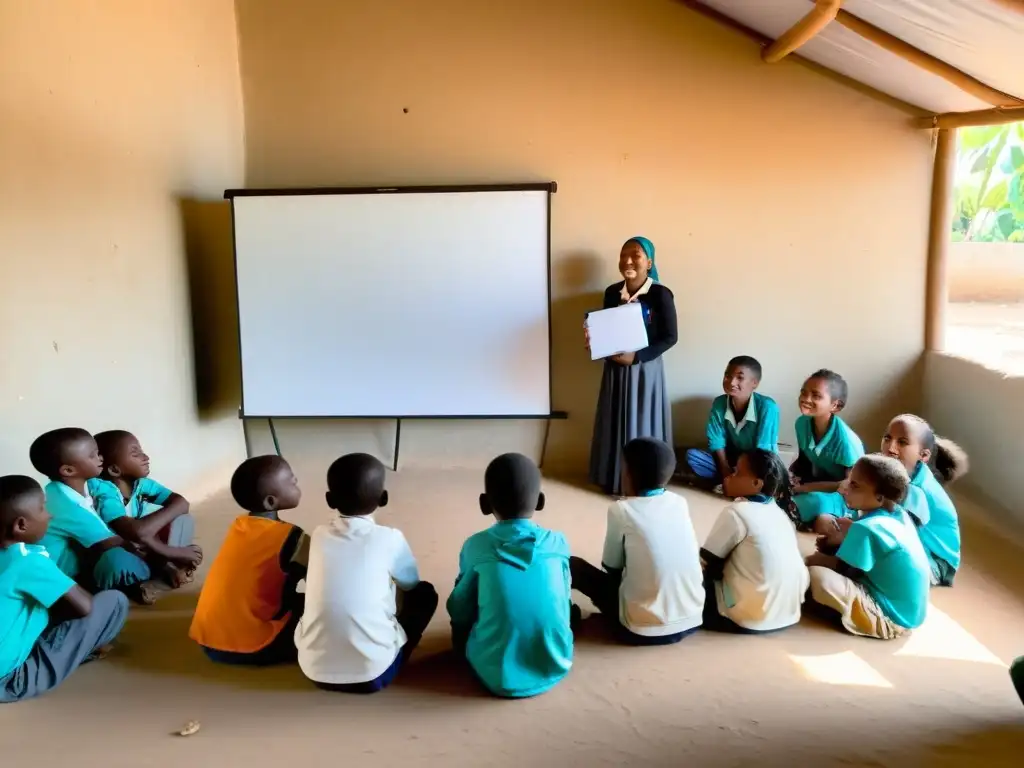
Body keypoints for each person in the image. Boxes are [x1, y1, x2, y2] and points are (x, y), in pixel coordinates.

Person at [296, 453, 437, 694]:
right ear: (383, 498)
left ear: (329, 500)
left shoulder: (318, 535)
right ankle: (400, 648)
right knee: (425, 594)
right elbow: (410, 583)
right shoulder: (389, 538)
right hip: (374, 673)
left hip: (313, 671)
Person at [447, 453, 572, 698]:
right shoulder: (558, 542)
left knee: (466, 591)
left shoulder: (476, 545)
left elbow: (459, 607)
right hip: (557, 662)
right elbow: (564, 596)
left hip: (494, 673)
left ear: (484, 504)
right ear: (540, 501)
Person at [0, 475, 129, 704]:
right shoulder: (27, 560)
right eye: (42, 509)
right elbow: (84, 607)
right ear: (21, 525)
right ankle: (84, 651)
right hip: (9, 682)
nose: (49, 514)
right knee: (113, 601)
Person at [571, 438, 704, 644]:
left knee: (573, 566)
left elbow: (612, 567)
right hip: (693, 619)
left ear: (628, 474)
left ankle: (563, 616)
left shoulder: (621, 510)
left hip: (638, 629)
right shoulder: (680, 503)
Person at [189, 455, 308, 665]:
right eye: (291, 481)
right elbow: (324, 577)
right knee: (317, 605)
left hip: (208, 642)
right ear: (271, 501)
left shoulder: (239, 525)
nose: (296, 482)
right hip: (256, 647)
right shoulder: (292, 537)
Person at [588, 236, 678, 495]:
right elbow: (605, 329)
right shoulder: (611, 292)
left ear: (649, 262)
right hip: (615, 371)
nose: (628, 260)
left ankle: (644, 483)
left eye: (636, 255)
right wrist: (598, 344)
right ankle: (612, 477)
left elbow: (670, 337)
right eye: (623, 255)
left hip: (645, 371)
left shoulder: (661, 294)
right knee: (613, 419)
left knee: (642, 420)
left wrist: (636, 358)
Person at [805, 455, 930, 640]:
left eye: (855, 485)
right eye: (849, 480)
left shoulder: (870, 527)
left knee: (817, 575)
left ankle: (847, 616)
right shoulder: (897, 514)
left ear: (879, 497)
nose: (846, 488)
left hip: (890, 617)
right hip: (907, 613)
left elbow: (847, 569)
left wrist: (806, 561)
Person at [29, 428, 157, 604]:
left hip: (83, 560)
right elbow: (110, 542)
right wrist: (160, 553)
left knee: (138, 539)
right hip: (64, 582)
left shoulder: (87, 484)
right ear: (68, 470)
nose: (100, 458)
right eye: (93, 455)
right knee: (121, 558)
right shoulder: (66, 504)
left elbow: (107, 491)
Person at [700, 450, 808, 634]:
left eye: (736, 473)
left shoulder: (736, 513)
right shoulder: (780, 514)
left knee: (685, 576)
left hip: (747, 617)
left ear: (757, 484)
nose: (729, 477)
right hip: (788, 614)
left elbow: (706, 561)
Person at [92, 430, 202, 589]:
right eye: (136, 454)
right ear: (115, 470)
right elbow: (135, 533)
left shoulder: (142, 484)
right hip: (118, 549)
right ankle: (150, 576)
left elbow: (182, 503)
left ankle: (164, 567)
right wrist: (172, 551)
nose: (146, 458)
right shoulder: (105, 493)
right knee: (114, 561)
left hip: (142, 547)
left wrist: (148, 534)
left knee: (182, 520)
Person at [881, 415, 969, 587]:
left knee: (885, 564)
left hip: (937, 561)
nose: (891, 447)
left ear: (924, 455)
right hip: (914, 543)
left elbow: (896, 529)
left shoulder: (916, 491)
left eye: (902, 442)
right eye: (887, 438)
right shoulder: (892, 471)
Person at [681, 356, 780, 494]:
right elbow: (716, 441)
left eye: (740, 378)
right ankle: (729, 482)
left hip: (755, 467)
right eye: (727, 376)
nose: (732, 382)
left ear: (754, 383)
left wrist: (743, 473)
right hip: (730, 462)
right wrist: (725, 469)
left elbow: (764, 450)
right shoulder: (719, 403)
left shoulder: (767, 407)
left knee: (768, 477)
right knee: (692, 456)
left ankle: (732, 484)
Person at [789, 370, 864, 528]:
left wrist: (805, 488)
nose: (806, 399)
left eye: (816, 396)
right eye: (804, 392)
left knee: (814, 502)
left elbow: (850, 487)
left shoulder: (846, 441)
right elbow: (804, 461)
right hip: (816, 485)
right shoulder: (801, 424)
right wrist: (791, 479)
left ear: (835, 405)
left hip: (846, 497)